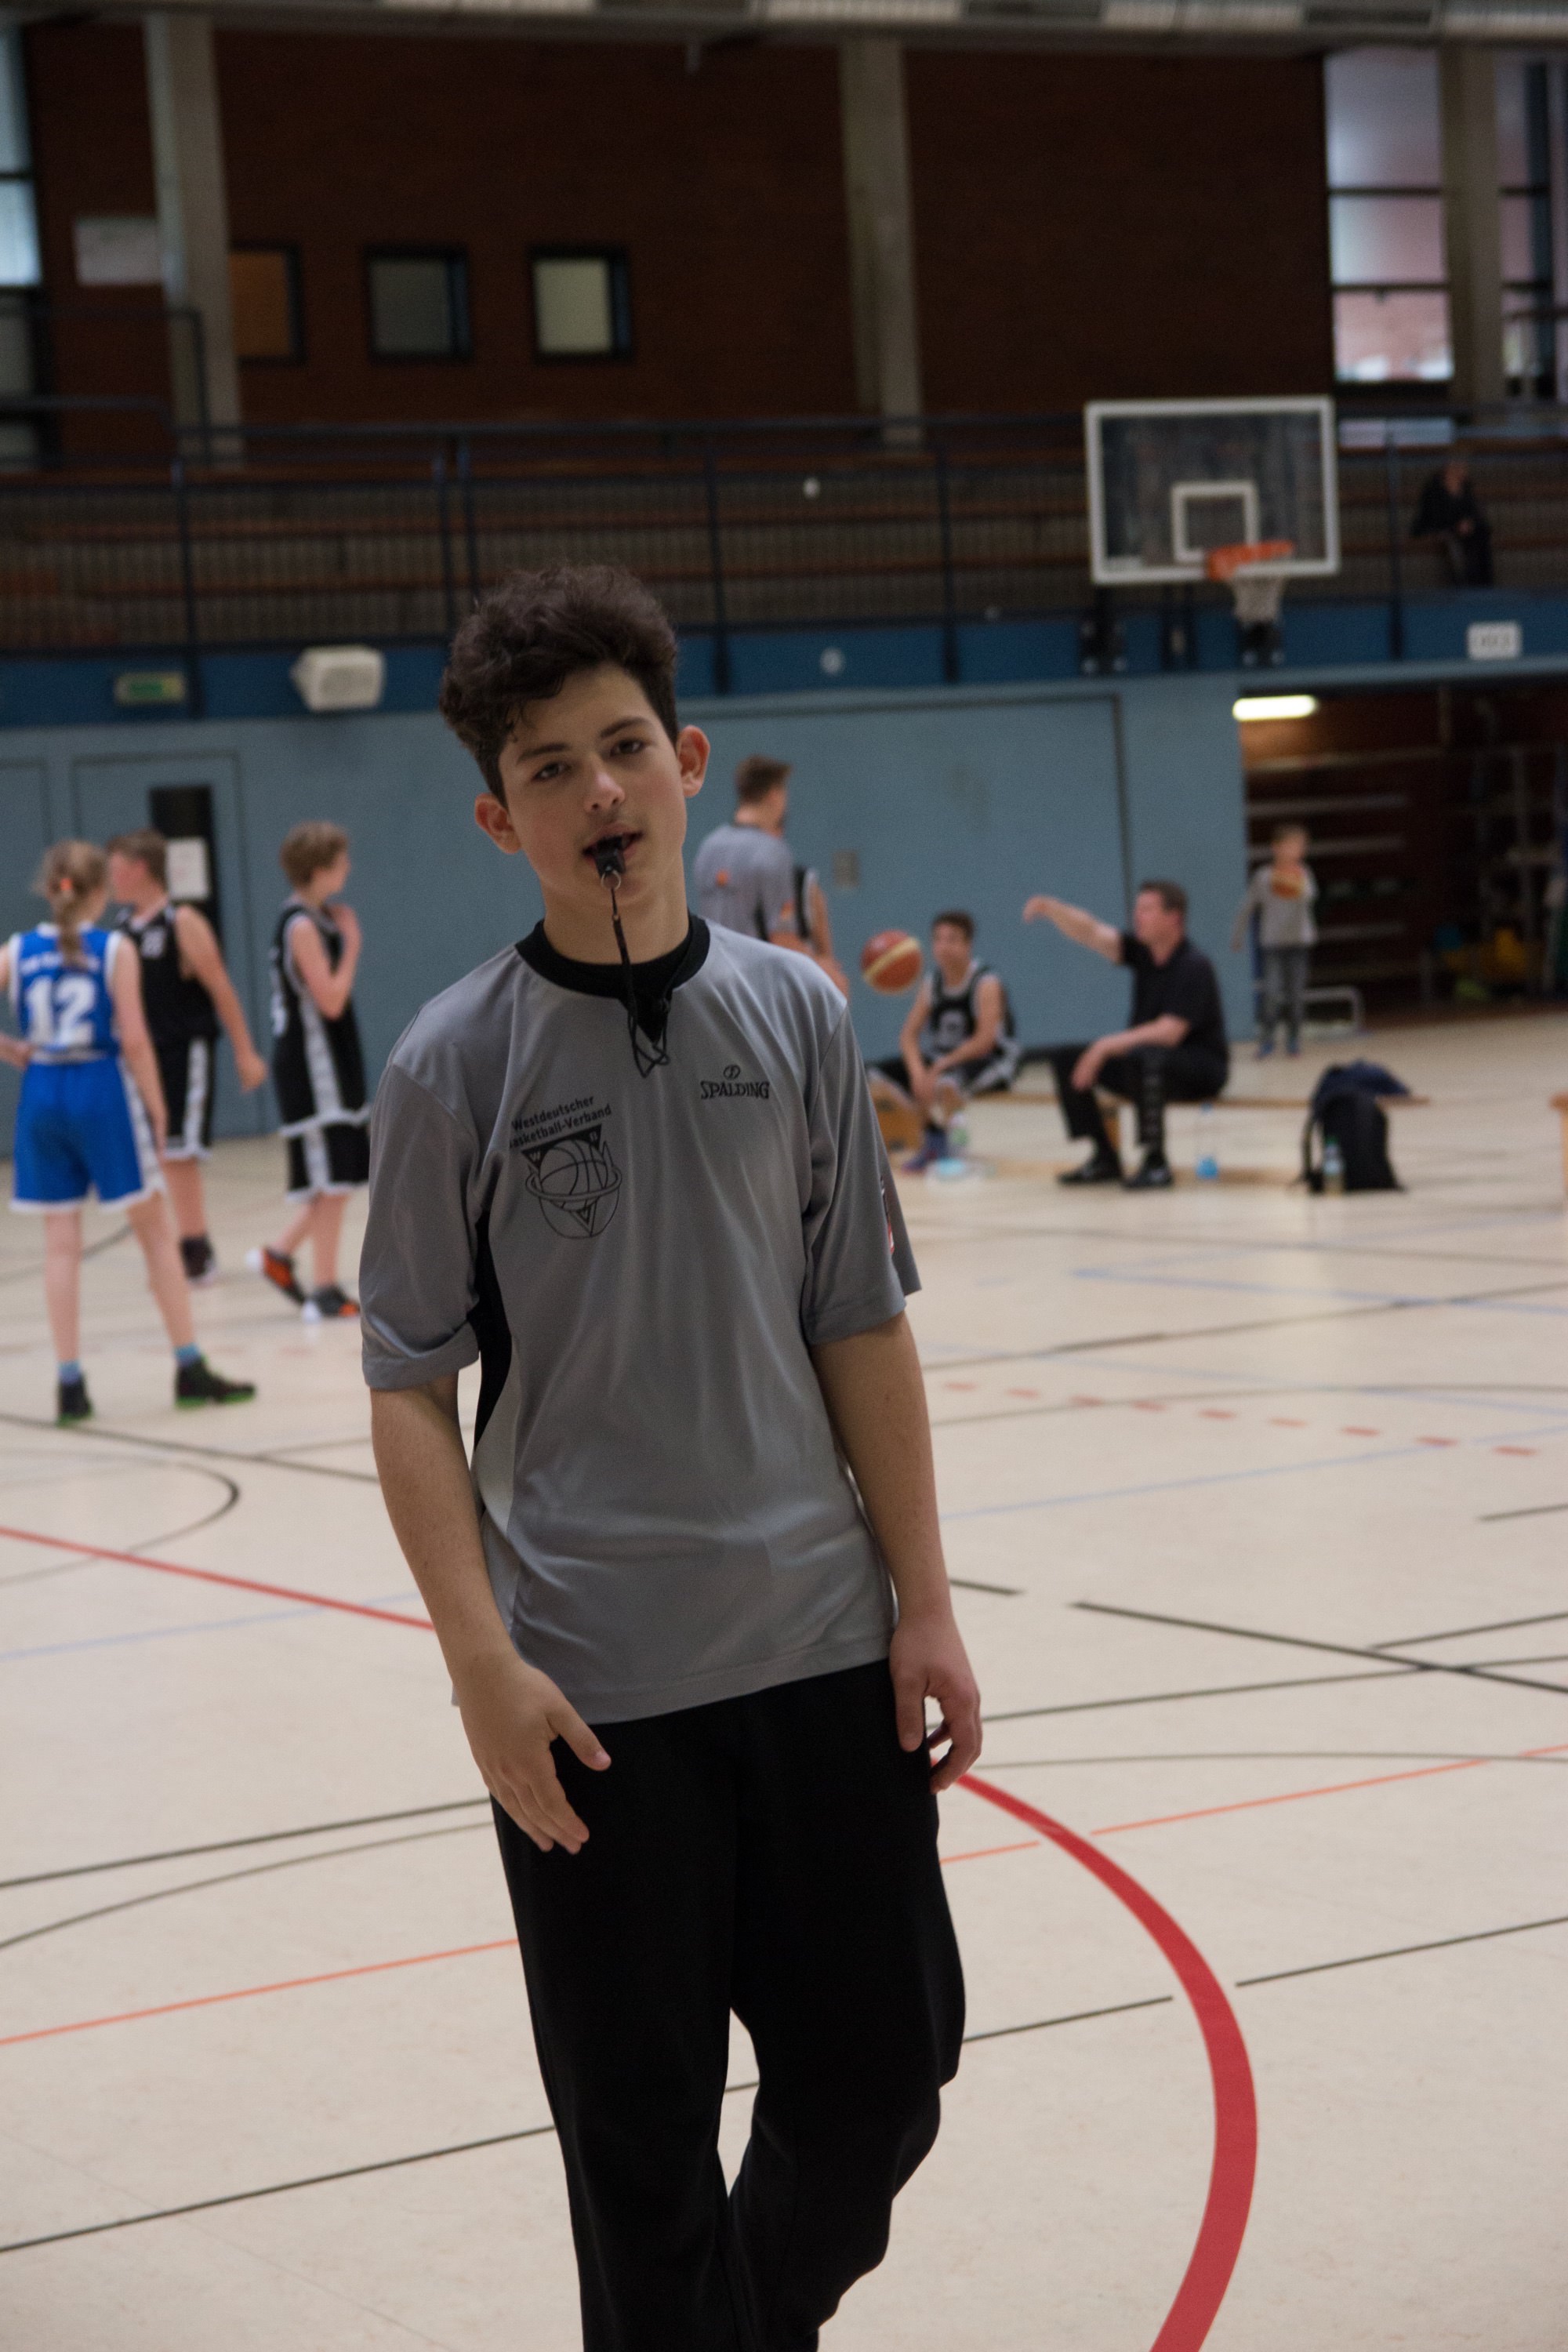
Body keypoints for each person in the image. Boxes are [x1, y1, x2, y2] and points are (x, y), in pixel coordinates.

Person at [361, 563, 977, 2352]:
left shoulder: (798, 1014)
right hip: (592, 1697)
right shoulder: (451, 1064)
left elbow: (860, 1321)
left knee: (886, 2074)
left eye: (624, 746)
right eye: (549, 768)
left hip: (820, 1650)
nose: (600, 791)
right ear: (501, 819)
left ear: (688, 760)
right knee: (639, 2164)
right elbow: (405, 1387)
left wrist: (925, 1601)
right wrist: (480, 1667)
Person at [1, 841, 256, 1423]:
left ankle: (69, 1383)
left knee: (59, 1244)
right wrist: (158, 1109)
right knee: (156, 1232)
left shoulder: (17, 950)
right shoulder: (115, 947)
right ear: (99, 892)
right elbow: (136, 1042)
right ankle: (189, 1366)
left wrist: (13, 1049)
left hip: (42, 1091)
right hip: (100, 1088)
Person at [106, 828, 270, 1283]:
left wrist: (245, 1052)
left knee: (179, 1152)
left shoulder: (182, 921)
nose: (110, 877)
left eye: (116, 868)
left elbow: (221, 988)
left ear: (141, 868)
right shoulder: (120, 931)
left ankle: (196, 1250)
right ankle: (169, 1247)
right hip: (140, 1058)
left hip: (184, 1051)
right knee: (152, 1154)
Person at [1023, 877, 1229, 1189]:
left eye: (1147, 910)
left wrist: (1106, 1045)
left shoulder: (1193, 965)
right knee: (1068, 1058)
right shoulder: (1143, 954)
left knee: (1146, 1057)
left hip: (1201, 1067)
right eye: (1137, 909)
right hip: (1145, 1062)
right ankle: (1104, 1156)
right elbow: (1092, 932)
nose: (1137, 916)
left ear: (1173, 918)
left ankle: (1156, 1162)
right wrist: (1053, 909)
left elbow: (1170, 1032)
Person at [249, 822, 368, 1322]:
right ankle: (323, 1289)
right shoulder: (301, 926)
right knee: (333, 1181)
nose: (348, 867)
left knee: (336, 1177)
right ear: (319, 869)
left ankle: (279, 1255)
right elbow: (331, 1000)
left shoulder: (315, 918)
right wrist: (353, 943)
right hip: (313, 1067)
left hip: (330, 1063)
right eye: (340, 860)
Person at [869, 909, 1019, 1170]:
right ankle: (931, 1140)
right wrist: (918, 1073)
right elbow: (908, 1035)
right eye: (938, 939)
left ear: (968, 945)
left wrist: (938, 1067)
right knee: (874, 1075)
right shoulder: (932, 983)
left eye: (952, 939)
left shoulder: (986, 982)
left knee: (947, 1084)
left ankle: (958, 1152)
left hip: (993, 1059)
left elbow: (984, 1041)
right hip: (944, 1059)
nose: (943, 946)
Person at [691, 753, 849, 993]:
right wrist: (822, 966)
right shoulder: (773, 852)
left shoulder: (709, 847)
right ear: (775, 795)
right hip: (756, 988)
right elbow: (781, 938)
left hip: (712, 983)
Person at [1230, 822, 1318, 1058]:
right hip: (1273, 944)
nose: (1295, 851)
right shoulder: (1264, 877)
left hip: (1298, 942)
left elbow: (1310, 897)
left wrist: (1296, 885)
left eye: (1299, 847)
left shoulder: (1304, 874)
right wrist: (1238, 935)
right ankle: (1267, 1039)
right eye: (1290, 846)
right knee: (1271, 992)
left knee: (1296, 995)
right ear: (1276, 848)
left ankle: (1293, 1038)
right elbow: (1247, 906)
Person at [1412, 459, 1494, 588]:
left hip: (1463, 531)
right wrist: (1455, 527)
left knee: (1481, 535)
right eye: (1459, 468)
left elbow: (1475, 513)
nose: (1463, 472)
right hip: (1440, 529)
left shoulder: (1466, 488)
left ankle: (1483, 584)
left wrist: (1469, 523)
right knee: (1453, 544)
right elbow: (1432, 517)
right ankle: (1462, 584)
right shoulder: (1434, 490)